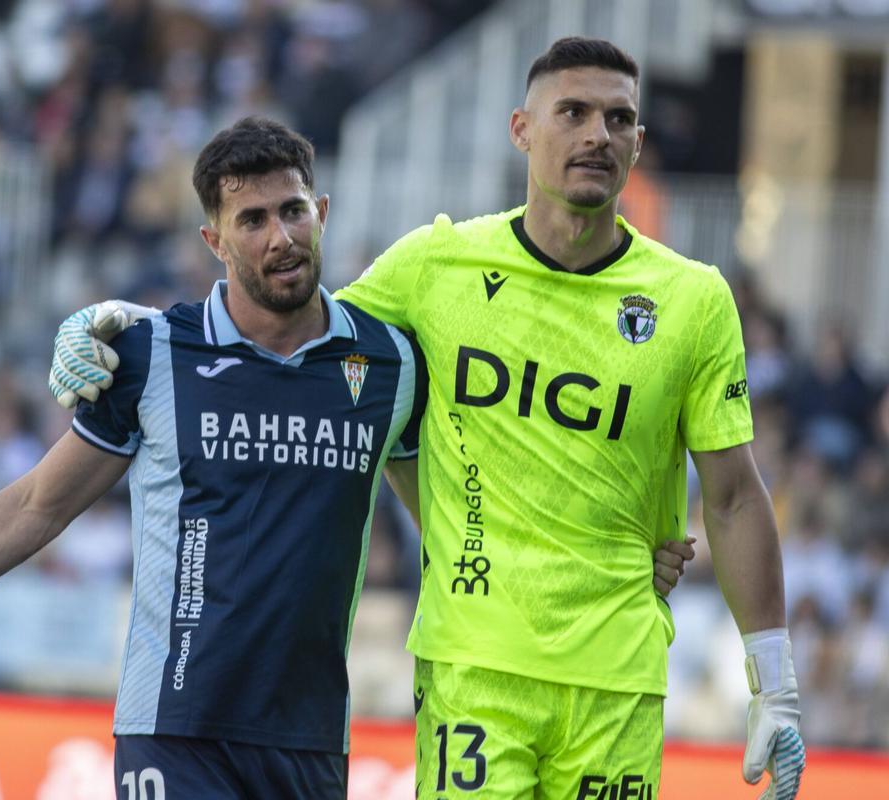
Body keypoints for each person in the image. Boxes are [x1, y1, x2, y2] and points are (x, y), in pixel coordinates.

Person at [0, 117, 692, 800]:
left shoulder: (391, 365)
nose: (280, 236)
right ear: (215, 241)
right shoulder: (153, 355)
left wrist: (611, 549)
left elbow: (459, 499)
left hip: (308, 742)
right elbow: (38, 507)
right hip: (179, 731)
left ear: (322, 209)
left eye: (293, 210)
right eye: (252, 220)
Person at [46, 39, 803, 800]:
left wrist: (775, 682)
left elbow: (735, 495)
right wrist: (130, 321)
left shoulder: (695, 300)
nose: (596, 135)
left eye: (618, 120)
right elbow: (287, 327)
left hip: (619, 674)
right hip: (471, 667)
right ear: (521, 129)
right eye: (572, 112)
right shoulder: (434, 266)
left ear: (639, 143)